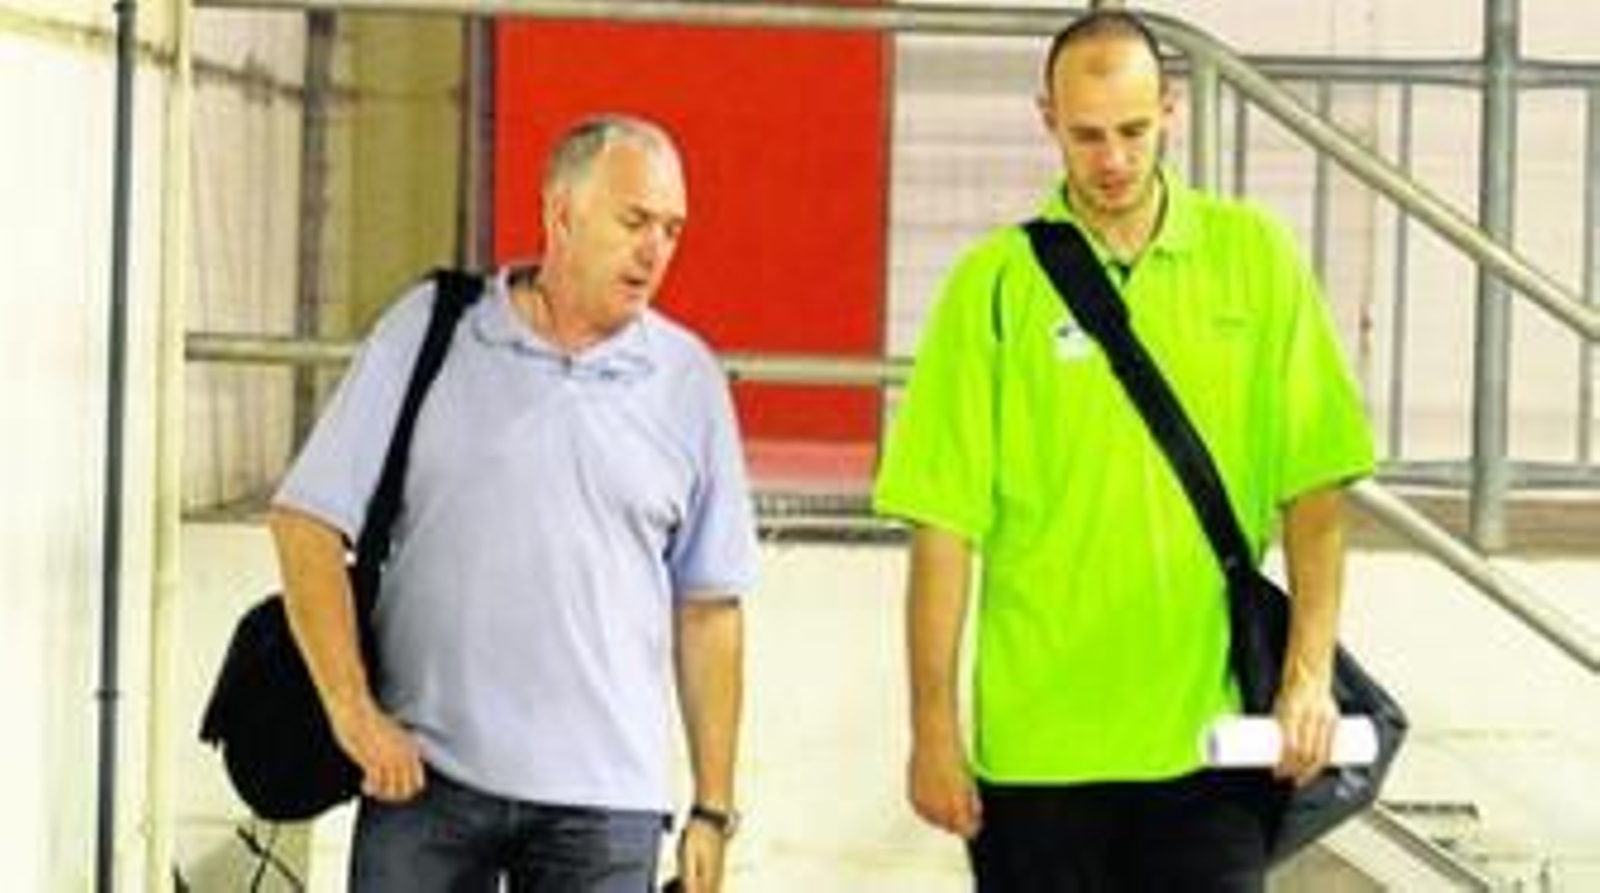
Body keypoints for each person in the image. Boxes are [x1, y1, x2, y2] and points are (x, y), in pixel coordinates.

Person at [873, 10, 1375, 891]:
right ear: (1047, 121)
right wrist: (933, 728)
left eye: (1134, 131)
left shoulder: (1254, 263)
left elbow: (1317, 486)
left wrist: (1307, 677)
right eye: (1087, 135)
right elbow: (942, 531)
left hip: (1210, 745)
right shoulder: (990, 288)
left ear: (1171, 111)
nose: (1112, 160)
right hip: (1036, 754)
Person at [269, 114, 757, 892]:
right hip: (424, 784)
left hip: (605, 804)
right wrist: (353, 713)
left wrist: (712, 806)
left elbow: (709, 608)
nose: (655, 248)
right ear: (561, 213)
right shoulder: (434, 330)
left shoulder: (688, 380)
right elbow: (306, 521)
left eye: (671, 229)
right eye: (634, 220)